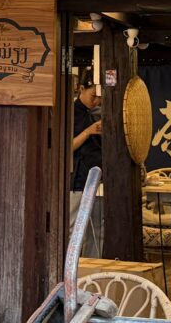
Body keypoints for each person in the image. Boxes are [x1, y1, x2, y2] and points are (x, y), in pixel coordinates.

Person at [69, 69, 103, 257]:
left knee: (97, 230)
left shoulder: (99, 113)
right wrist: (88, 131)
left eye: (99, 97)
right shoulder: (70, 113)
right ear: (81, 89)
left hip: (99, 179)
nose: (96, 101)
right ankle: (67, 267)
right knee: (73, 227)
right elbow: (66, 147)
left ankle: (93, 267)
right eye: (93, 96)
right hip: (78, 179)